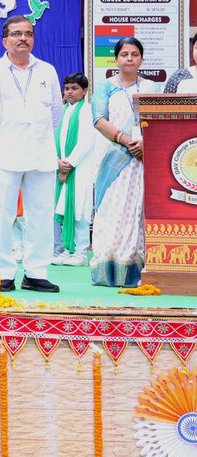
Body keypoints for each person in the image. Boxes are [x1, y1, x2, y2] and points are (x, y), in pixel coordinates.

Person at [0, 15, 63, 293]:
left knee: (41, 214)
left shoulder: (47, 70)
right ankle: (3, 271)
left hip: (40, 152)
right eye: (16, 34)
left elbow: (55, 113)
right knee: (1, 214)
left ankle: (36, 272)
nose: (22, 38)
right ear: (5, 41)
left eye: (28, 33)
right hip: (4, 153)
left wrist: (36, 134)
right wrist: (0, 138)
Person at [90, 37, 155, 287]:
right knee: (110, 210)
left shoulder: (151, 88)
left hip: (142, 159)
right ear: (116, 59)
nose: (129, 59)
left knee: (136, 211)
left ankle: (134, 269)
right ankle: (108, 269)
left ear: (141, 59)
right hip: (113, 158)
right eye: (124, 54)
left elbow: (158, 121)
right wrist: (128, 141)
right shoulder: (105, 87)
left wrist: (145, 144)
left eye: (134, 54)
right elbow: (98, 120)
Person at [52, 73, 98, 267]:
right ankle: (66, 249)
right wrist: (57, 162)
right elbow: (53, 139)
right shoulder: (62, 111)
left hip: (80, 169)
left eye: (74, 88)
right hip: (61, 167)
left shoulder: (88, 111)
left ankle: (80, 251)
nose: (69, 92)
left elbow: (86, 142)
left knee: (79, 210)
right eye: (67, 88)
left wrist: (69, 164)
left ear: (85, 91)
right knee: (63, 209)